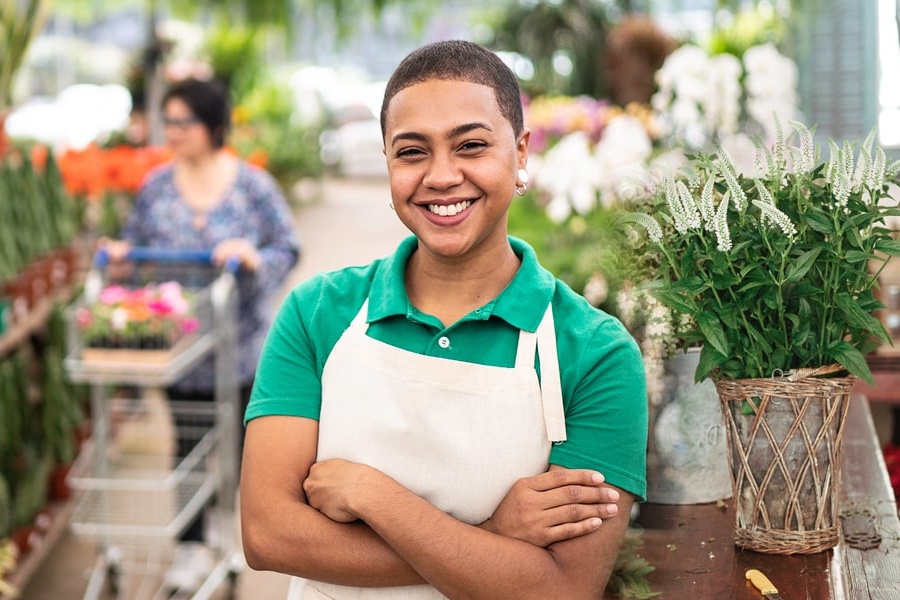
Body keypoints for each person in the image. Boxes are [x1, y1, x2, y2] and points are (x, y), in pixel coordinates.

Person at [241, 40, 646, 599]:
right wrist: (492, 536)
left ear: (522, 152)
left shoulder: (595, 353)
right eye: (411, 152)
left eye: (471, 146)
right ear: (387, 163)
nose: (441, 176)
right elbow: (267, 536)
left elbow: (560, 589)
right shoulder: (317, 313)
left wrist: (372, 494)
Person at [103, 76, 300, 591]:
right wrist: (122, 260)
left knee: (235, 443)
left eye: (183, 122)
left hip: (240, 343)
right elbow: (133, 243)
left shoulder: (252, 186)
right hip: (180, 346)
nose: (172, 131)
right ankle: (191, 545)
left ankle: (219, 522)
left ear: (213, 126)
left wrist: (253, 256)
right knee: (187, 442)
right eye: (167, 121)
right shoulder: (156, 186)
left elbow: (287, 246)